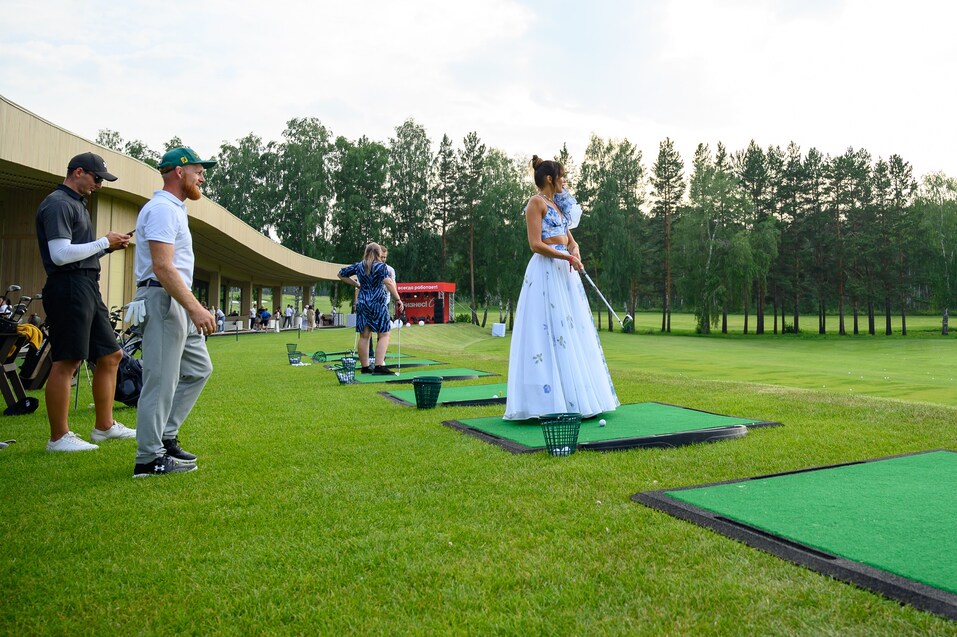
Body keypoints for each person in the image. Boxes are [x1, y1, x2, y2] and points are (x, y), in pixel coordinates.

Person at [504, 155, 619, 420]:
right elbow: (535, 244)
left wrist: (574, 251)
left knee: (570, 329)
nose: (564, 181)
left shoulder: (557, 207)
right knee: (547, 330)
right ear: (548, 179)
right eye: (561, 176)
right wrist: (566, 256)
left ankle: (575, 399)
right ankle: (546, 403)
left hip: (564, 273)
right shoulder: (536, 203)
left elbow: (569, 239)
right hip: (546, 270)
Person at [35, 151, 136, 452]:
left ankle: (104, 427)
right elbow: (60, 254)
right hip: (67, 288)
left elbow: (77, 251)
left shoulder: (76, 204)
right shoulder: (58, 204)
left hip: (86, 286)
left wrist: (107, 249)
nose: (99, 185)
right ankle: (59, 437)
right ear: (78, 172)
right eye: (96, 178)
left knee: (111, 355)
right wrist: (104, 242)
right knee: (68, 360)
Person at [131, 147, 216, 477]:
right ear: (179, 172)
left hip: (175, 300)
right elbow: (163, 267)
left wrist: (191, 305)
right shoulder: (163, 209)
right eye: (197, 170)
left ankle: (164, 436)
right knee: (161, 381)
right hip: (163, 300)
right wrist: (195, 308)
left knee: (198, 368)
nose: (202, 176)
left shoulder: (175, 209)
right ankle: (148, 458)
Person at [338, 242, 404, 374]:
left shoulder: (359, 266)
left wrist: (357, 285)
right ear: (379, 254)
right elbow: (388, 282)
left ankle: (365, 367)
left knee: (364, 336)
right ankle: (379, 366)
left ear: (366, 252)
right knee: (384, 333)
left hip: (362, 303)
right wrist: (398, 299)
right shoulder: (381, 266)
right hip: (378, 303)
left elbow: (341, 274)